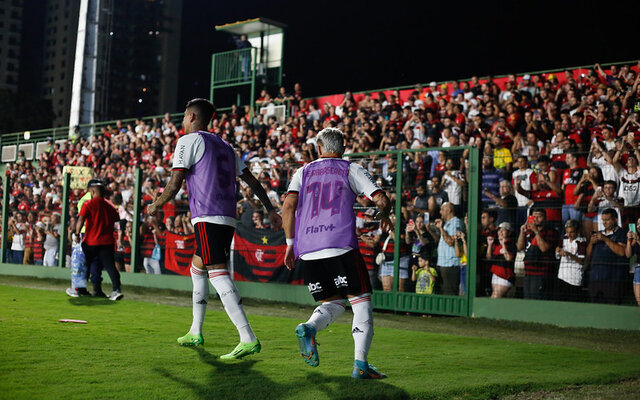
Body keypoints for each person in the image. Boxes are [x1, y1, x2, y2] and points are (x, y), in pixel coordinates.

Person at [147, 98, 282, 360]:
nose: (183, 122)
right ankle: (195, 331)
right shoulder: (226, 146)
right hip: (227, 215)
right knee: (197, 268)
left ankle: (248, 337)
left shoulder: (188, 141)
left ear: (193, 117)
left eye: (185, 117)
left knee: (217, 273)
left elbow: (175, 184)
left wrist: (157, 204)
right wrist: (270, 209)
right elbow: (251, 180)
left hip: (207, 215)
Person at [282, 127, 391, 379]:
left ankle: (310, 327)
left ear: (319, 148)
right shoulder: (350, 168)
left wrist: (290, 243)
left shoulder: (302, 171)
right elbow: (381, 200)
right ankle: (360, 366)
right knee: (361, 303)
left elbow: (288, 206)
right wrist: (385, 215)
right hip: (340, 244)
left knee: (333, 302)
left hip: (307, 249)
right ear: (343, 148)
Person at [71, 179, 123, 300]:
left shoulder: (88, 204)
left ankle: (79, 289)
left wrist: (77, 234)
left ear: (93, 191)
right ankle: (117, 290)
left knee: (85, 266)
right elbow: (117, 219)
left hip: (91, 241)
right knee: (110, 267)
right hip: (107, 241)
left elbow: (81, 220)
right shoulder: (110, 205)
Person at [586, 208, 628, 304]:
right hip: (595, 278)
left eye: (607, 220)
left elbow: (622, 252)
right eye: (603, 220)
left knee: (613, 308)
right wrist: (591, 243)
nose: (605, 222)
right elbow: (588, 255)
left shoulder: (622, 233)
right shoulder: (598, 233)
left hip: (613, 279)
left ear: (615, 219)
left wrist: (605, 239)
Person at [517, 207, 560, 300]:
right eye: (534, 216)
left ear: (545, 218)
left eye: (539, 216)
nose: (536, 219)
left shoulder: (551, 231)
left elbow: (544, 248)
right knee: (528, 299)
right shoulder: (528, 231)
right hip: (528, 272)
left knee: (539, 299)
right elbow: (520, 247)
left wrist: (536, 231)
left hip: (542, 272)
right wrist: (522, 232)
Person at [435, 202, 464, 295]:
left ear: (449, 210)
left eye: (442, 209)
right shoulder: (447, 224)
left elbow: (451, 242)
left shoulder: (456, 222)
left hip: (451, 265)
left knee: (450, 292)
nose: (440, 212)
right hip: (444, 264)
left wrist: (440, 228)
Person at [555, 219, 587, 302]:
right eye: (567, 231)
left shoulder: (581, 242)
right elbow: (557, 251)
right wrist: (558, 250)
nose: (569, 234)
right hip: (562, 277)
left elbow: (582, 261)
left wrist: (569, 254)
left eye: (572, 232)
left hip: (574, 280)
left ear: (578, 231)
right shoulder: (564, 238)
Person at [486, 222, 516, 298]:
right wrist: (489, 245)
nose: (500, 232)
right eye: (499, 230)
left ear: (509, 232)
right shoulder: (496, 244)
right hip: (495, 275)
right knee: (498, 298)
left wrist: (503, 245)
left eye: (503, 230)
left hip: (505, 277)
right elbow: (488, 258)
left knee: (495, 297)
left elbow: (509, 258)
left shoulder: (511, 244)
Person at [624, 217, 640, 306]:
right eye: (637, 224)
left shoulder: (637, 238)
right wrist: (629, 240)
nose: (639, 226)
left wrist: (638, 240)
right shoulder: (636, 237)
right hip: (638, 269)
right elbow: (628, 254)